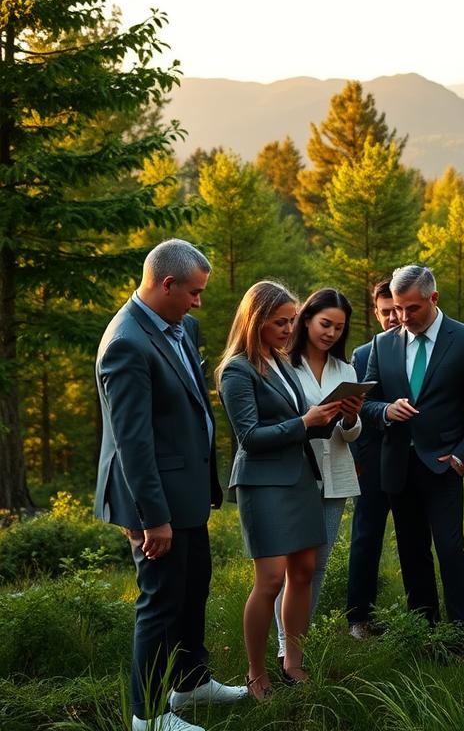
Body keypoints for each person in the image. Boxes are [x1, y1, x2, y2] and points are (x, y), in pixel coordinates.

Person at [95, 239, 246, 731]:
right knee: (159, 603)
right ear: (166, 284)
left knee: (193, 586)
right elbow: (132, 443)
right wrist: (152, 518)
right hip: (154, 500)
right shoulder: (126, 343)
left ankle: (191, 682)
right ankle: (148, 715)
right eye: (194, 292)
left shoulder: (182, 327)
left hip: (186, 492)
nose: (199, 302)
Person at [216, 281, 343, 699]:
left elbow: (298, 420)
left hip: (300, 478)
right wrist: (305, 423)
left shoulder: (282, 362)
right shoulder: (237, 369)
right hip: (263, 483)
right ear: (256, 321)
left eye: (292, 320)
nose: (291, 329)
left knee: (303, 573)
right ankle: (256, 672)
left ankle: (293, 661)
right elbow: (250, 436)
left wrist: (332, 414)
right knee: (269, 581)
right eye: (280, 322)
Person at [362, 265, 464, 632]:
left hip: (443, 465)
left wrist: (462, 455)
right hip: (399, 467)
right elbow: (365, 402)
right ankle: (425, 630)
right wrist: (386, 410)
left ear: (433, 298)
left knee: (451, 550)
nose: (402, 318)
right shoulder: (382, 343)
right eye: (397, 309)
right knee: (412, 551)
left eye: (412, 309)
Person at [270, 288, 364, 661]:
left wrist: (352, 416)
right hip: (295, 473)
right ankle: (283, 645)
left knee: (317, 564)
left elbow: (351, 434)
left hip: (335, 473)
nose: (331, 333)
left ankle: (299, 644)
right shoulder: (281, 365)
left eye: (339, 328)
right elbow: (277, 422)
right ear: (306, 319)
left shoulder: (346, 370)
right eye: (325, 324)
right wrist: (309, 419)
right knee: (289, 564)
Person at [346, 279, 400, 640]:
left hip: (416, 460)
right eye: (386, 313)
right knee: (367, 537)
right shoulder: (364, 355)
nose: (394, 318)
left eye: (398, 309)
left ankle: (419, 618)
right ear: (376, 314)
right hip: (372, 460)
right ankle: (358, 618)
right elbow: (355, 408)